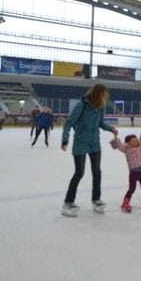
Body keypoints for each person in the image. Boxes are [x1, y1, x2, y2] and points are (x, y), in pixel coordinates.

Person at [60, 84, 119, 216]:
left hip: (95, 143)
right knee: (79, 173)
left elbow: (101, 123)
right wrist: (65, 139)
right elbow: (69, 122)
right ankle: (68, 202)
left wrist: (111, 128)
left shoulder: (100, 106)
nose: (106, 97)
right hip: (81, 142)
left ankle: (96, 199)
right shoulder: (82, 105)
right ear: (98, 94)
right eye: (104, 94)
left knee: (97, 172)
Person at [112, 133, 141, 212]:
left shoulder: (140, 146)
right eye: (132, 141)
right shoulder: (127, 149)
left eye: (136, 141)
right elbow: (118, 145)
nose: (135, 143)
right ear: (128, 143)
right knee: (132, 188)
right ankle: (125, 203)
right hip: (134, 172)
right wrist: (115, 137)